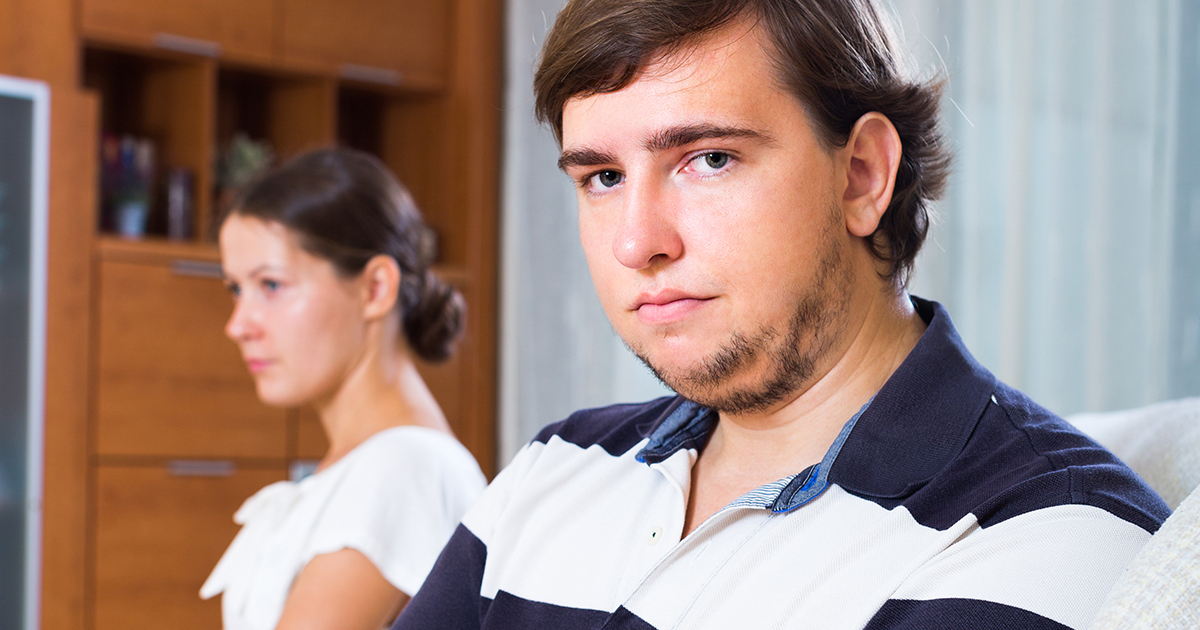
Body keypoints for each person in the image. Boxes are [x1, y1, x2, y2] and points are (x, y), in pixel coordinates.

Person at [394, 1, 1171, 629]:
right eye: (602, 177)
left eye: (709, 159)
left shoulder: (1050, 537)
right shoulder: (558, 464)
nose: (636, 243)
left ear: (861, 175)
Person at [200, 148, 487, 630]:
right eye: (235, 288)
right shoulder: (365, 467)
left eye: (271, 285)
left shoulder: (405, 470)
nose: (238, 325)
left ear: (375, 289)